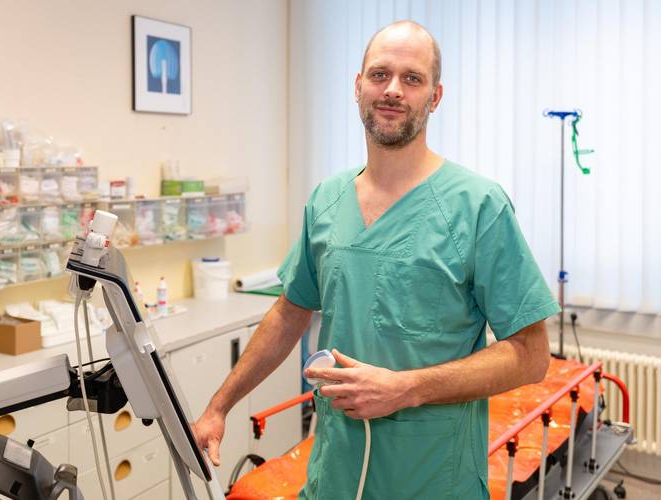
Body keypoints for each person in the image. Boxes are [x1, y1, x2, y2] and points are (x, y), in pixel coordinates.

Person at [193, 20, 559, 499]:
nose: (392, 90)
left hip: (433, 480)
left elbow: (531, 355)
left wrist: (406, 388)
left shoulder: (478, 207)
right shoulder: (327, 200)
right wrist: (219, 406)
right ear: (358, 86)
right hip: (336, 475)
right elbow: (289, 312)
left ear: (435, 96)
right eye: (380, 74)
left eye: (412, 78)